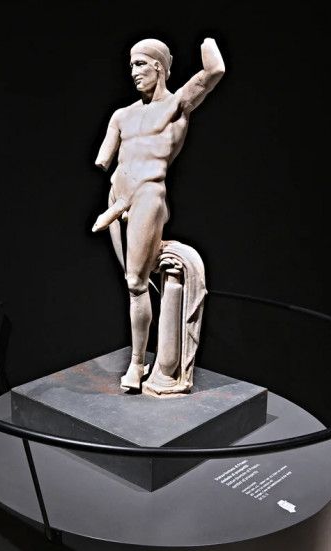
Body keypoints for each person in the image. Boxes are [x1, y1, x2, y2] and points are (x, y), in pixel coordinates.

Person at [93, 38, 224, 390]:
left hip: (148, 195)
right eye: (130, 65)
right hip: (117, 197)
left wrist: (207, 40)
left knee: (136, 282)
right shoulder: (121, 116)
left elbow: (214, 69)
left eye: (140, 64)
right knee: (133, 283)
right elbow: (104, 159)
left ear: (159, 67)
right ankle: (142, 358)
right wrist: (116, 196)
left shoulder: (177, 105)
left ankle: (137, 364)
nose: (133, 72)